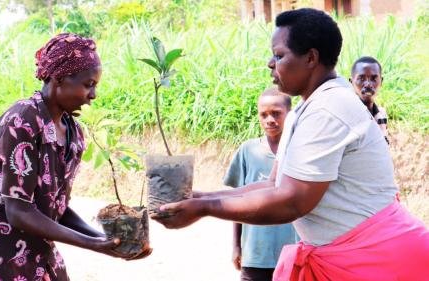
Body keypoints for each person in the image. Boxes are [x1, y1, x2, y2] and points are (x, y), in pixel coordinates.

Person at [152, 8, 429, 281]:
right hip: (348, 259)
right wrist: (201, 197)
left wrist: (204, 209)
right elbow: (275, 185)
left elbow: (293, 201)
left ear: (311, 58)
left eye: (279, 55)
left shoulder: (329, 108)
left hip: (379, 261)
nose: (270, 64)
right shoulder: (303, 110)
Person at [0, 33, 150, 281]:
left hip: (37, 258)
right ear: (59, 79)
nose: (94, 95)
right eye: (88, 84)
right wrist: (91, 243)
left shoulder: (74, 134)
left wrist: (105, 240)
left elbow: (56, 208)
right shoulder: (22, 120)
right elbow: (18, 210)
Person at [224, 88, 297, 281]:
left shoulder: (299, 151)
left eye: (276, 113)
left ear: (289, 115)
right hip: (255, 254)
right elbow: (237, 201)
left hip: (292, 253)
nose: (269, 119)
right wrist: (236, 246)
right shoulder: (248, 151)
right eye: (263, 114)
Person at [350, 56, 389, 143]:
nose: (368, 84)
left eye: (373, 79)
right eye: (362, 79)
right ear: (351, 82)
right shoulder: (346, 116)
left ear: (381, 81)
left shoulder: (382, 114)